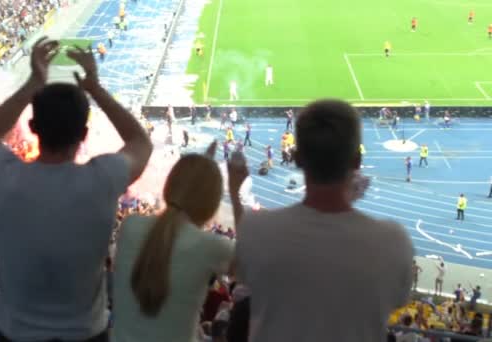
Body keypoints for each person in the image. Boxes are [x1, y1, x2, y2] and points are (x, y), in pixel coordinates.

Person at [0, 39, 153, 341]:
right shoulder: (102, 179)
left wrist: (34, 82)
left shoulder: (3, 176)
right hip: (84, 334)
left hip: (14, 334)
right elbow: (140, 141)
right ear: (84, 134)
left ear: (32, 127)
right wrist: (95, 89)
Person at [236, 99, 413, 342]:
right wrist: (348, 203)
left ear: (297, 158)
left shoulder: (256, 230)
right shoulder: (393, 241)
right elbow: (397, 300)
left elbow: (244, 278)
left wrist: (233, 189)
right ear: (357, 162)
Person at [111, 145, 248, 342]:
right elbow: (250, 266)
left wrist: (195, 177)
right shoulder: (213, 247)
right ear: (211, 202)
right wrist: (235, 193)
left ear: (170, 186)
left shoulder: (130, 225)